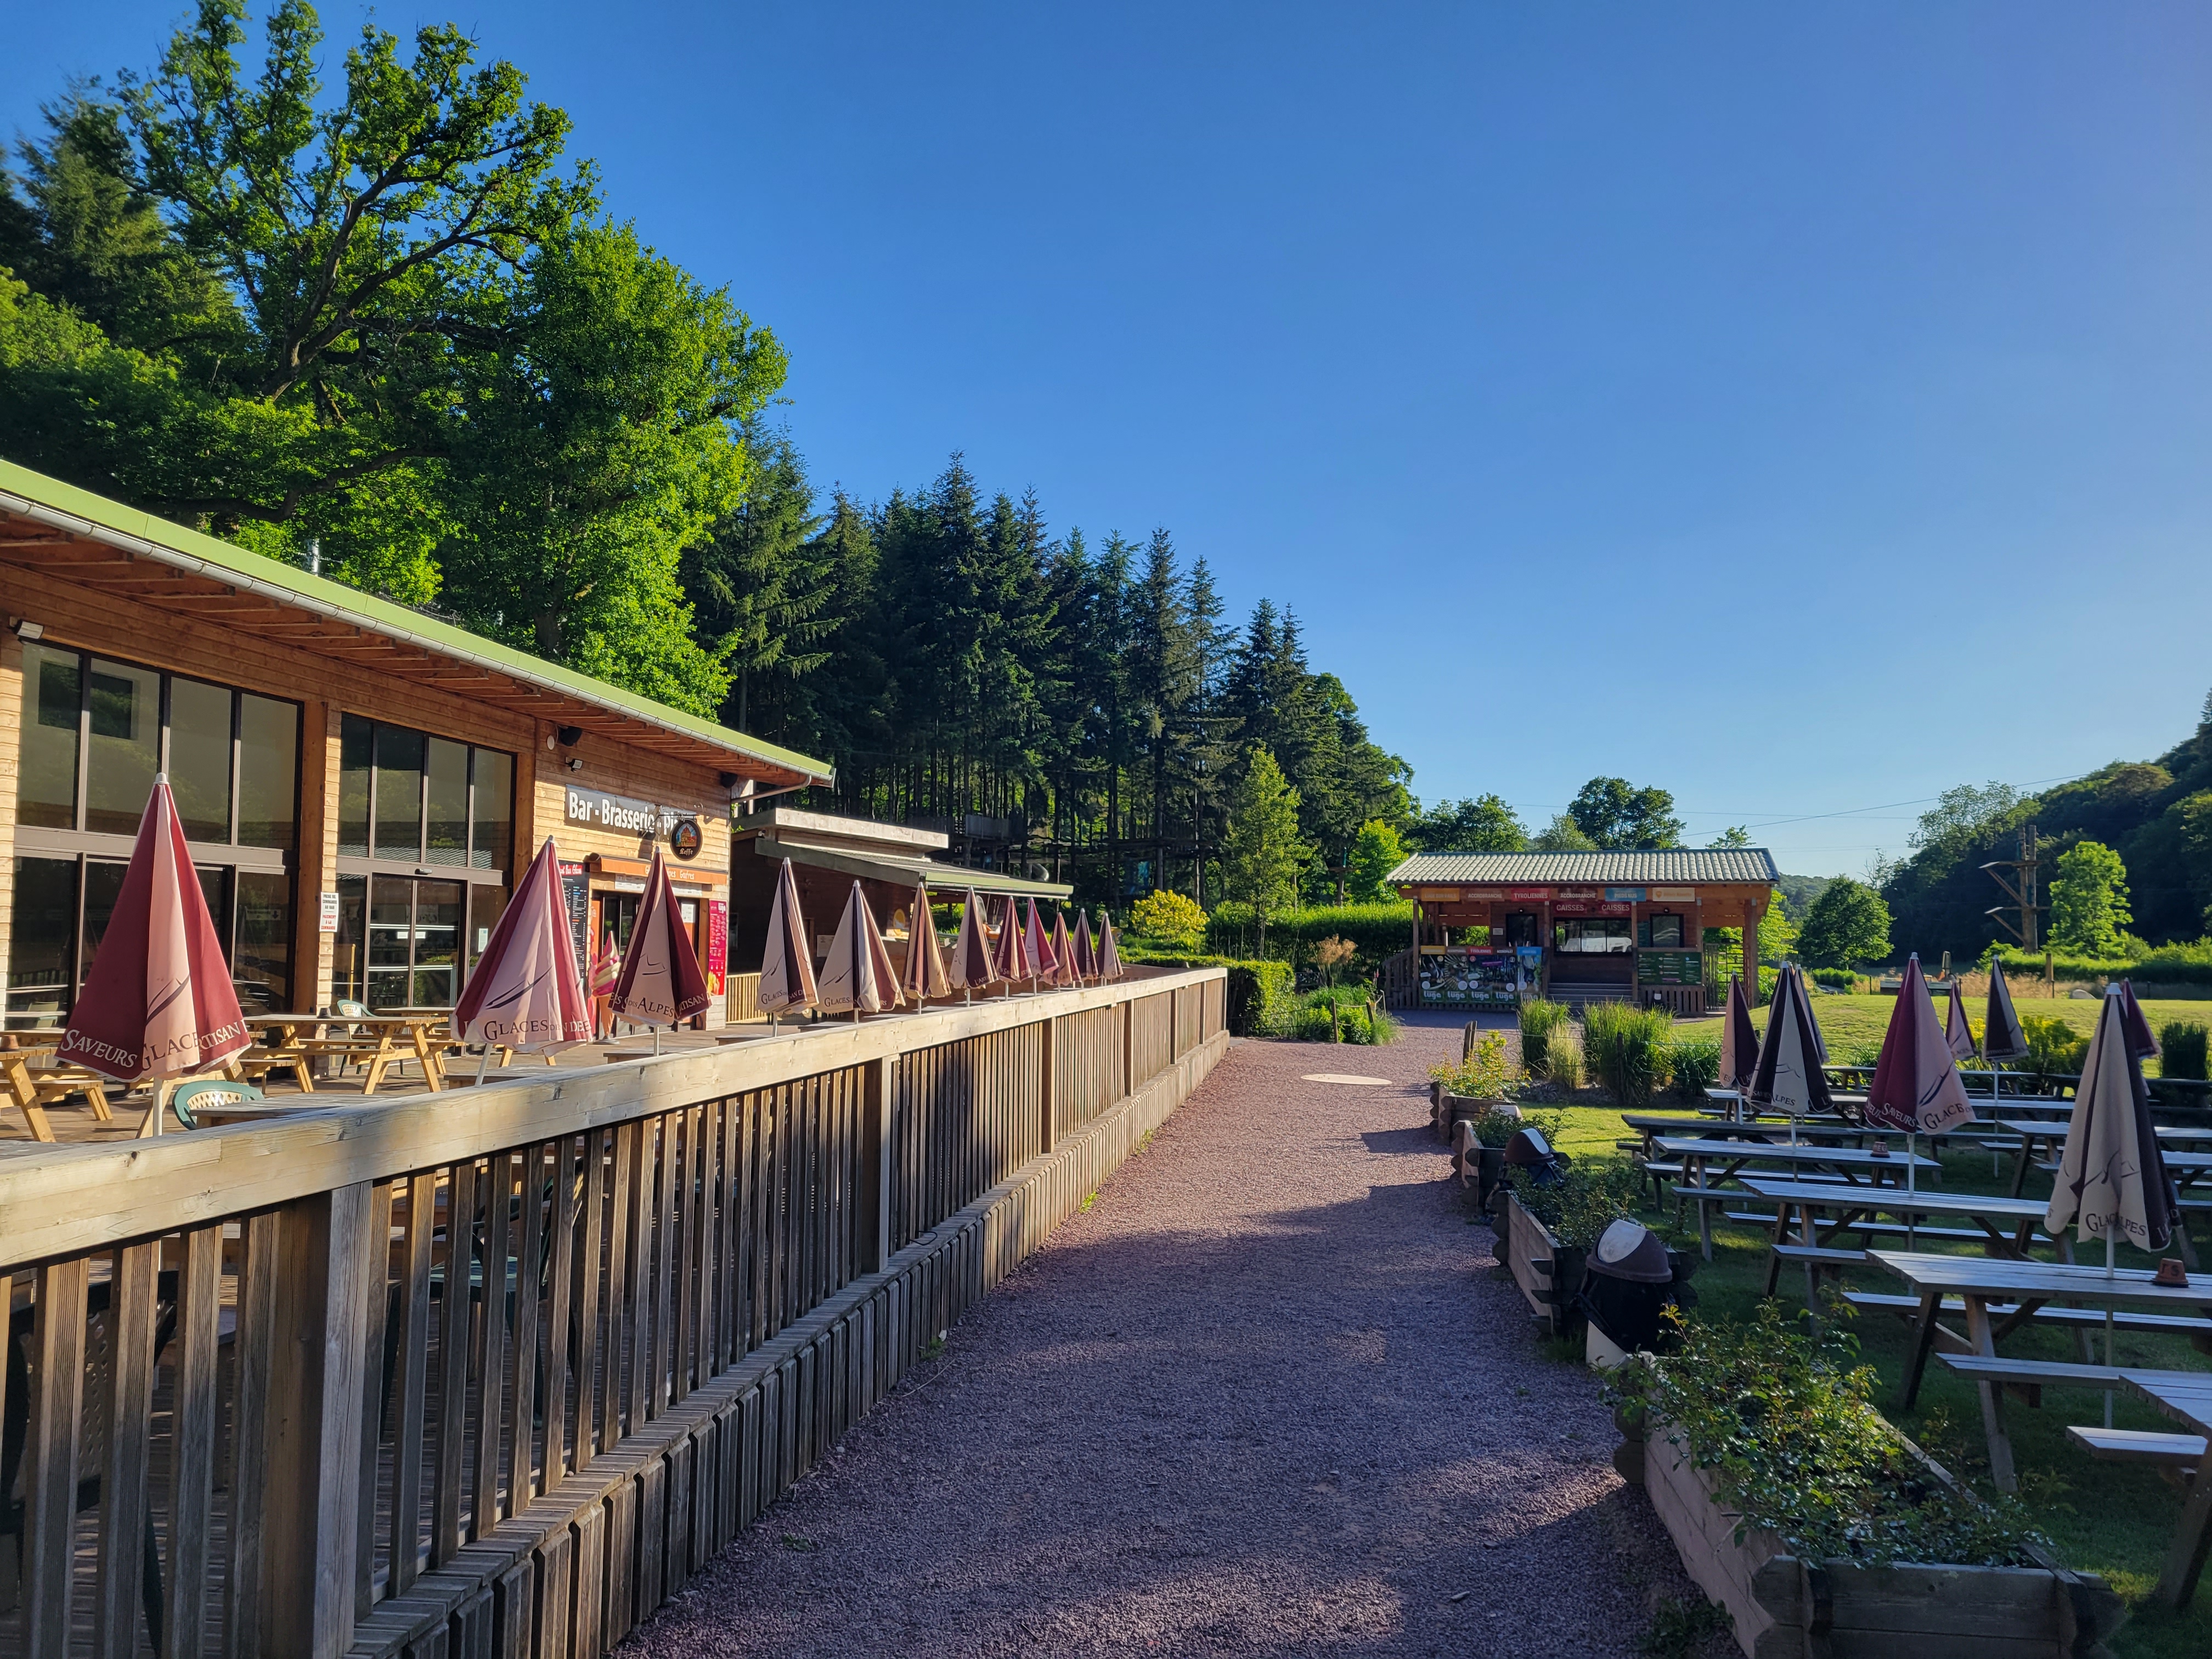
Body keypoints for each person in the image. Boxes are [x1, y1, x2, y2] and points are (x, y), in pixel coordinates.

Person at [589, 928, 622, 1040]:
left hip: (610, 986)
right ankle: (606, 1033)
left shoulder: (613, 966)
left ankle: (607, 1033)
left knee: (607, 1011)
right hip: (607, 986)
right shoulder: (605, 965)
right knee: (607, 1011)